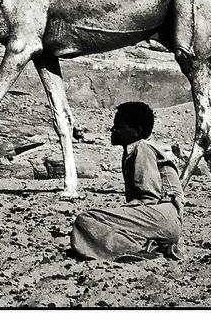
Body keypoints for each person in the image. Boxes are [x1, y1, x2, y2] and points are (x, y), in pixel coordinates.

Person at [69, 102, 184, 261]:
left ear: (136, 131)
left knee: (86, 220)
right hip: (164, 221)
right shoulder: (132, 151)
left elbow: (149, 197)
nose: (112, 130)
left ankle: (136, 249)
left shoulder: (142, 147)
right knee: (105, 223)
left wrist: (116, 213)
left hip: (161, 216)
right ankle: (157, 247)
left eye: (118, 126)